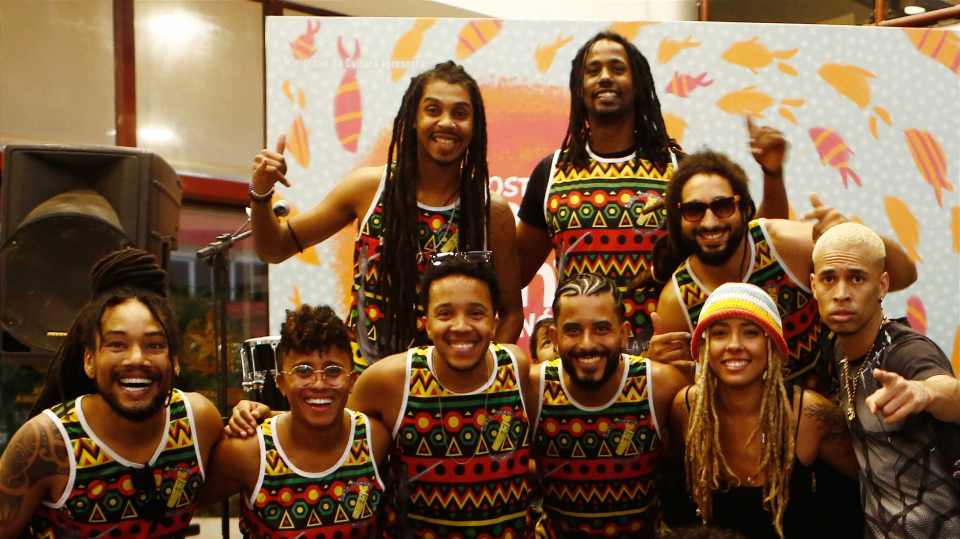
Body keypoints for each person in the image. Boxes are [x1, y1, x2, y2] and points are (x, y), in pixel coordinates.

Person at [516, 31, 790, 355]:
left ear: (639, 83)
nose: (605, 76)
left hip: (667, 360)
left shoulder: (679, 170)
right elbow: (515, 274)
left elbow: (753, 247)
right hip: (581, 358)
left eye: (618, 68)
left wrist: (772, 175)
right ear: (579, 87)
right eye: (593, 70)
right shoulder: (551, 173)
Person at [228, 254, 536, 539]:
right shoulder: (389, 380)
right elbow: (331, 425)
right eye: (445, 313)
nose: (460, 326)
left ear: (495, 323)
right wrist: (265, 418)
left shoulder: (516, 368)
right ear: (426, 324)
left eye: (476, 313)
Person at [251, 61, 522, 371]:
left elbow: (511, 313)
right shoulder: (368, 188)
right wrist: (260, 193)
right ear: (413, 120)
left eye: (460, 113)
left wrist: (485, 376)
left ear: (474, 127)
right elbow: (274, 248)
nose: (446, 122)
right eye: (433, 110)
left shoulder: (492, 210)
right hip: (367, 386)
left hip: (453, 392)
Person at [651, 150, 917, 396]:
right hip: (747, 438)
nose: (710, 221)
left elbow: (904, 275)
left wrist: (852, 233)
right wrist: (659, 371)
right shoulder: (678, 301)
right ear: (680, 218)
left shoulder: (786, 245)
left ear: (745, 209)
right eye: (694, 210)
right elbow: (682, 404)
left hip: (837, 416)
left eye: (723, 206)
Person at [0, 248, 223, 539]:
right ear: (89, 361)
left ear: (175, 361)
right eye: (116, 344)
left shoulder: (199, 421)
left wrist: (259, 415)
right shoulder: (46, 443)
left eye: (154, 345)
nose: (136, 359)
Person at [670, 282, 860, 539]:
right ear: (704, 348)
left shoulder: (808, 415)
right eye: (720, 333)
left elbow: (873, 483)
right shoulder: (687, 409)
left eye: (750, 333)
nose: (734, 345)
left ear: (772, 346)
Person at [811, 222, 960, 538]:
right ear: (813, 286)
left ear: (882, 286)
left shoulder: (906, 351)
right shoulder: (838, 347)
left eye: (857, 278)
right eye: (828, 279)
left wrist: (924, 392)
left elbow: (951, 392)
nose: (841, 294)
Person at [201, 304, 390, 538]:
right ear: (280, 383)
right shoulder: (249, 452)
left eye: (332, 371)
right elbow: (179, 507)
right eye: (303, 371)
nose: (319, 383)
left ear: (352, 380)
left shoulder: (375, 439)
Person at [533, 273, 688, 538]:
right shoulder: (534, 387)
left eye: (602, 329)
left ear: (625, 334)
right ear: (554, 337)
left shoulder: (660, 384)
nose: (587, 344)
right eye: (573, 330)